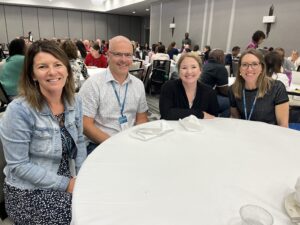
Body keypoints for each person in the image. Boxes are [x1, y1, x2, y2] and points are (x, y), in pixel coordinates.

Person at [0, 40, 87, 224]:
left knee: (100, 200)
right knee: (85, 214)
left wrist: (82, 177)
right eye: (42, 66)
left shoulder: (74, 102)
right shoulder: (19, 110)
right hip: (28, 191)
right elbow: (19, 166)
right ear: (32, 74)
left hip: (67, 177)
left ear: (67, 69)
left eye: (58, 65)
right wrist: (67, 185)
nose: (52, 72)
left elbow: (79, 140)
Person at [79, 35, 149, 154]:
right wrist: (115, 144)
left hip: (130, 141)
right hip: (99, 144)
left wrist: (136, 141)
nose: (123, 59)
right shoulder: (93, 84)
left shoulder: (138, 85)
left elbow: (141, 118)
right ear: (108, 56)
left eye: (128, 55)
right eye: (118, 54)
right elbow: (85, 125)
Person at [229, 49, 289, 127]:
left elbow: (283, 125)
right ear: (239, 68)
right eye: (244, 64)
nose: (249, 69)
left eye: (254, 64)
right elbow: (235, 117)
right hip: (243, 134)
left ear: (262, 68)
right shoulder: (233, 89)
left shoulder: (276, 88)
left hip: (269, 136)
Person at [159, 53, 219, 120]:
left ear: (200, 70)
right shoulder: (168, 87)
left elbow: (213, 119)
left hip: (200, 130)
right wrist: (200, 114)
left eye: (193, 67)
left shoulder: (210, 92)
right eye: (184, 68)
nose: (189, 72)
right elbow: (166, 113)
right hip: (172, 129)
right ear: (179, 71)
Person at [201, 49, 230, 117]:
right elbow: (224, 91)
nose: (224, 60)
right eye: (224, 57)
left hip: (198, 97)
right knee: (231, 103)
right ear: (220, 58)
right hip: (205, 100)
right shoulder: (220, 68)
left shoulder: (205, 65)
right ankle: (220, 123)